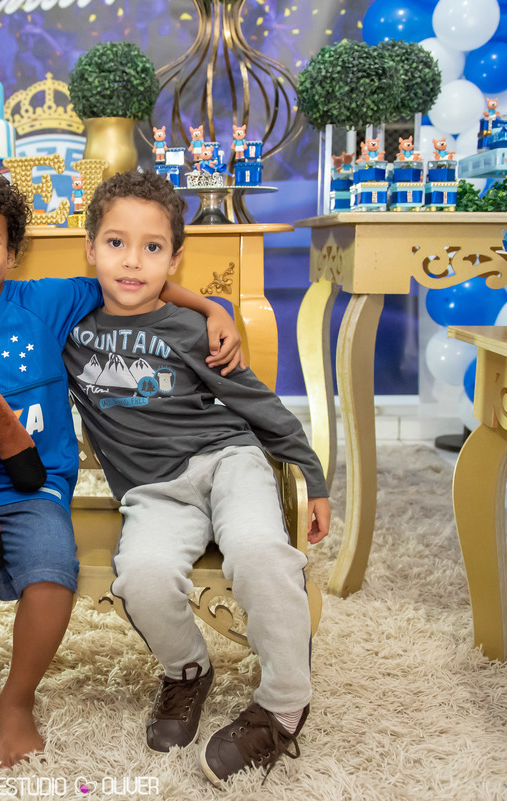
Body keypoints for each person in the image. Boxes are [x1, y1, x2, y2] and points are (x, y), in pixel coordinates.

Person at [0, 165, 241, 767]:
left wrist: (213, 309)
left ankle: (17, 701)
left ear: (12, 251)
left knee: (52, 577)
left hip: (32, 491)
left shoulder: (45, 303)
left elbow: (139, 283)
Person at [62, 169, 330, 786]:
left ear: (174, 259)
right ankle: (187, 671)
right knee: (143, 577)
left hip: (227, 462)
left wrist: (312, 478)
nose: (133, 261)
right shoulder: (69, 329)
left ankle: (284, 705)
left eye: (152, 247)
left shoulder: (191, 330)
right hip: (154, 492)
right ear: (91, 248)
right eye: (116, 243)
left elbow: (257, 403)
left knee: (260, 552)